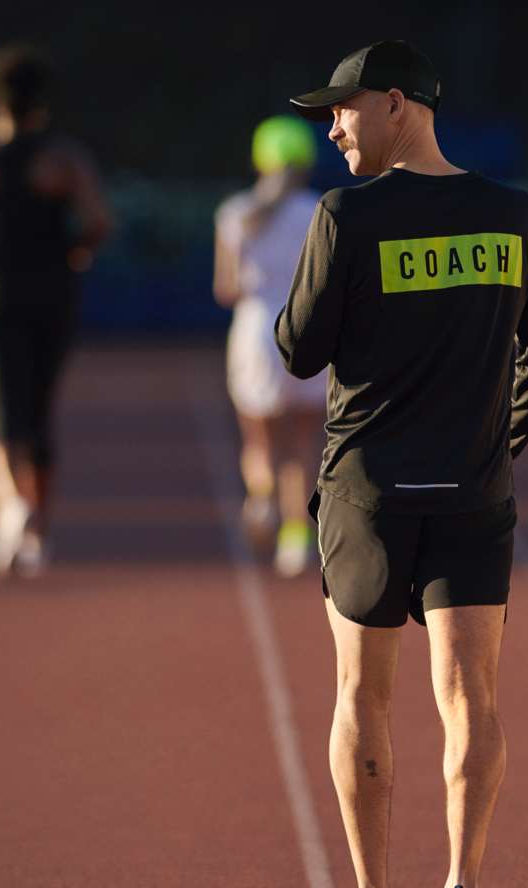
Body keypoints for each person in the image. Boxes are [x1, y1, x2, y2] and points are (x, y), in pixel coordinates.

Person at [278, 39, 528, 888]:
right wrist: (497, 449)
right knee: (469, 698)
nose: (331, 126)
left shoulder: (347, 217)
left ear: (397, 103)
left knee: (363, 695)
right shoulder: (513, 215)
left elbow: (296, 350)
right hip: (472, 495)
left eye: (344, 108)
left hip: (366, 495)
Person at [0, 43, 113, 576]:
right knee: (38, 410)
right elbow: (98, 222)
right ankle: (36, 533)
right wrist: (74, 251)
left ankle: (10, 504)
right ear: (42, 101)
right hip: (54, 290)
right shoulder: (63, 159)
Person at [214, 116, 329, 577]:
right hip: (306, 329)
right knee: (303, 441)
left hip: (256, 332)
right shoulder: (321, 209)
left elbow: (225, 289)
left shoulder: (235, 212)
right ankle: (296, 537)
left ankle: (261, 501)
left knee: (259, 437)